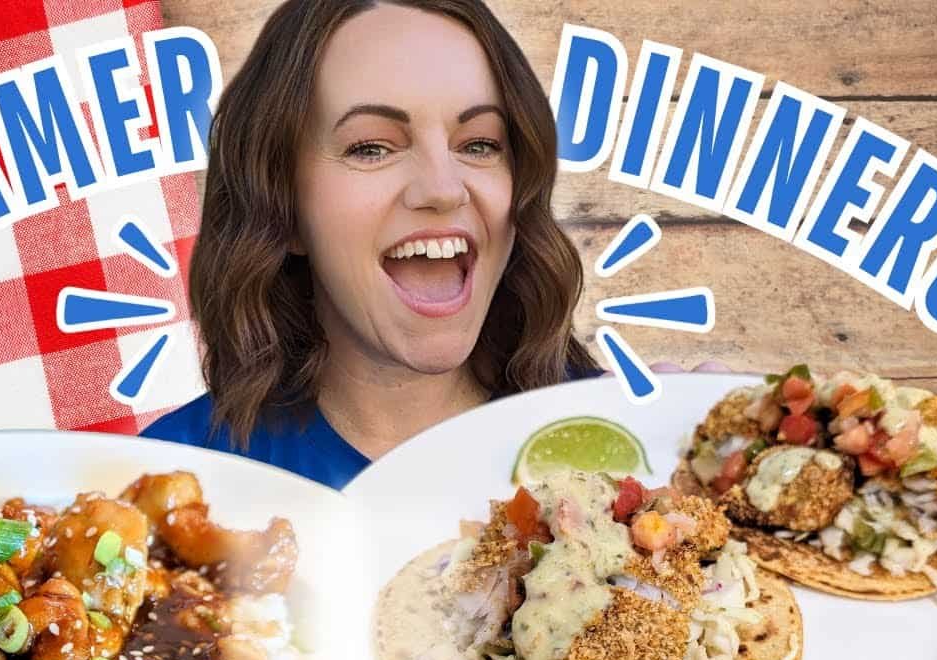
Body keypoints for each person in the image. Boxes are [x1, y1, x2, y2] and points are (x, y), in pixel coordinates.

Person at [142, 0, 601, 488]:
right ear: (284, 208)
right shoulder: (165, 484)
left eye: (479, 144)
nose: (444, 189)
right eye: (371, 148)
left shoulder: (631, 438)